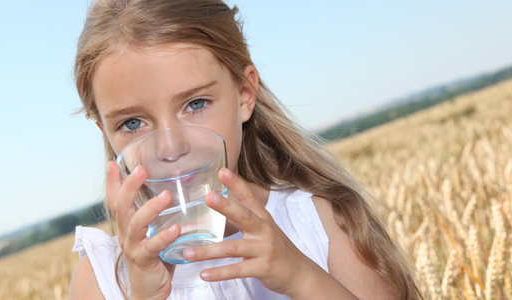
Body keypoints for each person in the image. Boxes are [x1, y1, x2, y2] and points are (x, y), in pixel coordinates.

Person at [69, 0, 422, 299]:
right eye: (132, 123)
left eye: (195, 104)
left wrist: (301, 277)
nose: (171, 146)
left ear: (243, 96)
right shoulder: (103, 278)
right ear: (106, 133)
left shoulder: (318, 222)